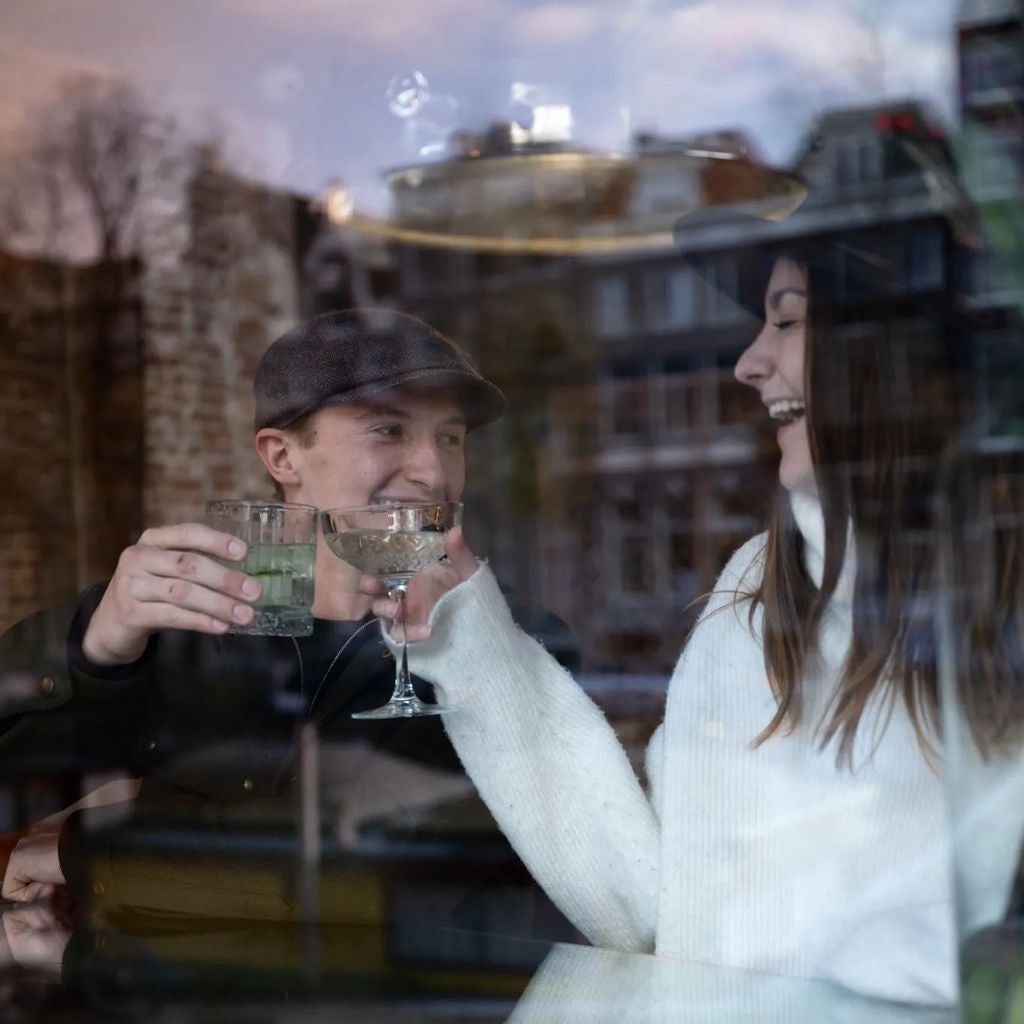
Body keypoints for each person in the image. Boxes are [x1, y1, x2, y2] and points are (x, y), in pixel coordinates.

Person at [358, 235, 1024, 1003]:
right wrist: (467, 634)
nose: (748, 362)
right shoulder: (760, 584)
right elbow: (644, 910)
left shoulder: (996, 587)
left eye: (786, 321)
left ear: (882, 352)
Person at [0, 308, 577, 932]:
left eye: (450, 438)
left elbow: (348, 878)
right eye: (388, 430)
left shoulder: (511, 642)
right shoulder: (184, 622)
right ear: (282, 456)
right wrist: (91, 650)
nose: (433, 473)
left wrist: (86, 845)